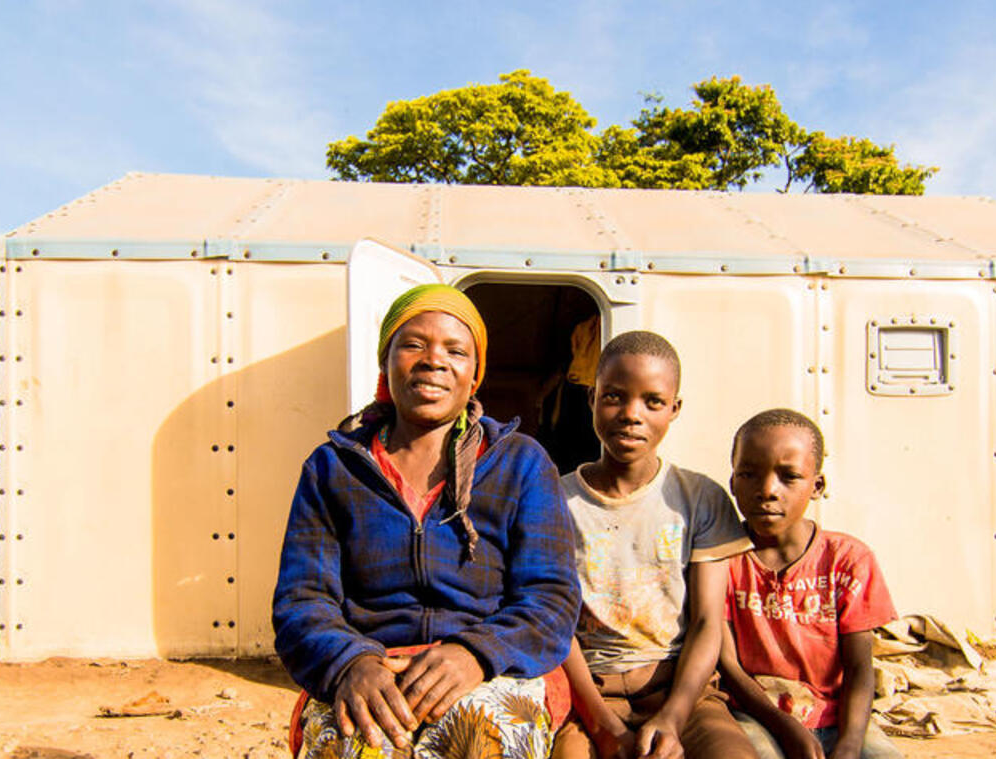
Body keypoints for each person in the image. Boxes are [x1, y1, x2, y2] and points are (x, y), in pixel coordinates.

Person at [273, 284, 582, 759]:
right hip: (371, 668)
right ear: (385, 362)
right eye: (413, 344)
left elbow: (552, 601)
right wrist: (350, 661)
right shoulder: (333, 468)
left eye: (455, 350)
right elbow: (302, 601)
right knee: (358, 743)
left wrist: (475, 654)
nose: (433, 360)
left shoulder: (522, 464)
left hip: (493, 669)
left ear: (474, 375)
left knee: (476, 736)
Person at [553, 330, 757, 759]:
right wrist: (602, 724)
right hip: (590, 693)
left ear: (674, 408)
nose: (631, 414)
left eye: (652, 401)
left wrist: (674, 717)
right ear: (591, 399)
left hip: (683, 689)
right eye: (614, 396)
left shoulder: (700, 498)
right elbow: (556, 624)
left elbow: (706, 624)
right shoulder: (554, 499)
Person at [717, 409, 904, 759]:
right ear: (732, 483)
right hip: (755, 716)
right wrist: (785, 726)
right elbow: (728, 664)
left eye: (788, 477)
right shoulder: (723, 560)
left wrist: (849, 745)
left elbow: (860, 667)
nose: (767, 490)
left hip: (838, 719)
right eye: (749, 474)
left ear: (817, 486)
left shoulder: (848, 559)